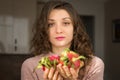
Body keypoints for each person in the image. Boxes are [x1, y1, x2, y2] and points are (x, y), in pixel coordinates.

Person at [21, 0, 104, 80]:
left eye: (66, 23)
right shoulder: (30, 66)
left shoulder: (94, 64)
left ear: (75, 29)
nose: (58, 30)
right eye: (51, 24)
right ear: (44, 30)